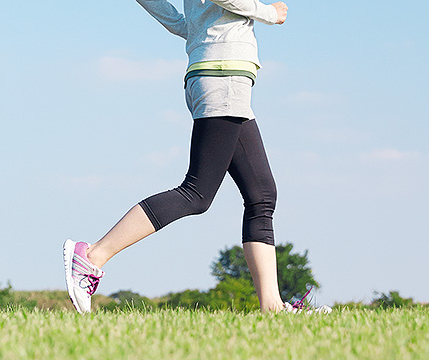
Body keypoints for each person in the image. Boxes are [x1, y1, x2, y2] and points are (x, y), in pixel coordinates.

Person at [64, 0, 292, 314]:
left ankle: (272, 306)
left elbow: (187, 23)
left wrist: (194, 28)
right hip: (222, 75)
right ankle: (91, 257)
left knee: (261, 195)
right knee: (196, 194)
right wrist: (268, 13)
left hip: (222, 76)